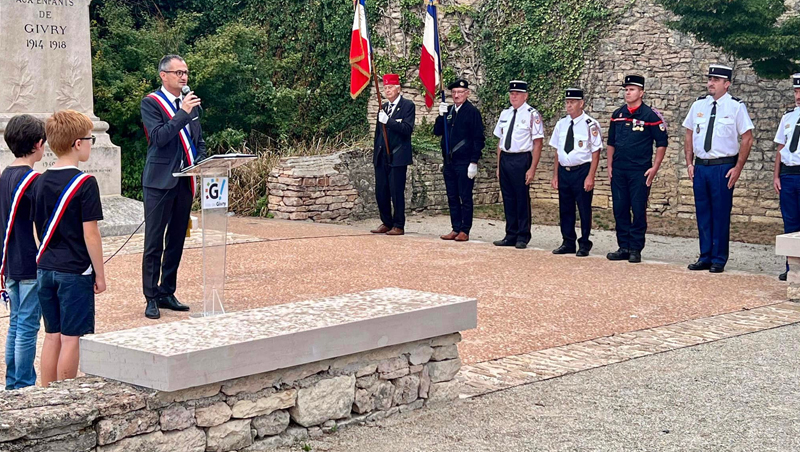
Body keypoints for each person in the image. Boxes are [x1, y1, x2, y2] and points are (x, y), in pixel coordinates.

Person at [31, 110, 105, 387]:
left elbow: (38, 228)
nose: (90, 144)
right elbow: (91, 234)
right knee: (72, 337)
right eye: (90, 139)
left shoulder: (39, 180)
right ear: (77, 143)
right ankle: (65, 394)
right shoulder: (86, 183)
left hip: (46, 266)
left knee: (52, 335)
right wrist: (100, 273)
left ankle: (46, 392)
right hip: (75, 270)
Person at [140, 54, 206, 319]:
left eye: (186, 72)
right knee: (154, 241)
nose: (184, 77)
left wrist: (202, 160)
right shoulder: (152, 103)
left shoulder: (191, 105)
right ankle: (150, 296)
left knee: (177, 239)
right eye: (178, 73)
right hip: (159, 182)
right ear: (163, 75)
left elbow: (198, 141)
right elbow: (159, 137)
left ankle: (167, 291)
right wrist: (183, 113)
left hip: (185, 181)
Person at [682, 64, 754, 274]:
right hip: (701, 167)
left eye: (715, 80)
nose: (710, 83)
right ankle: (705, 256)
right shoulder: (698, 105)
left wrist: (738, 168)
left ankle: (718, 258)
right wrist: (689, 162)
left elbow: (747, 138)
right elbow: (688, 133)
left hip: (722, 167)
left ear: (727, 84)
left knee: (720, 213)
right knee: (703, 213)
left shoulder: (735, 107)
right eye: (709, 79)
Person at [1, 114, 45, 389]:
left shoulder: (4, 175)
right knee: (27, 326)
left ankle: (11, 379)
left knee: (16, 324)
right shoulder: (33, 180)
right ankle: (23, 382)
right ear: (39, 144)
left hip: (10, 260)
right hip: (29, 260)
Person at [606, 74, 668, 263]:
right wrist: (609, 165)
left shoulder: (650, 115)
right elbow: (611, 143)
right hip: (619, 170)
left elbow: (662, 143)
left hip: (639, 171)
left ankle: (635, 248)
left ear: (641, 92)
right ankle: (623, 246)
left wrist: (655, 167)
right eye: (626, 90)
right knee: (620, 208)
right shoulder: (617, 115)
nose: (628, 93)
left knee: (638, 209)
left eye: (632, 89)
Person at [549, 88, 602, 257]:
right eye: (567, 102)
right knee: (565, 208)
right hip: (564, 171)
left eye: (572, 102)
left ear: (581, 103)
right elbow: (557, 151)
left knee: (584, 208)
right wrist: (555, 175)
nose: (569, 105)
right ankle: (568, 241)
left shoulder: (590, 124)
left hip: (581, 170)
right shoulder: (561, 124)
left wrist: (591, 176)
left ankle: (585, 242)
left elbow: (595, 152)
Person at [491, 80, 544, 249]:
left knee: (521, 198)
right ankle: (510, 233)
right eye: (512, 94)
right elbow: (500, 141)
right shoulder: (505, 114)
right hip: (506, 158)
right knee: (508, 198)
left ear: (525, 96)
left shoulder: (531, 114)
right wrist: (499, 165)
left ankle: (523, 235)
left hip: (521, 159)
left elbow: (538, 143)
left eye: (517, 94)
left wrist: (532, 168)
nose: (514, 96)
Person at [434, 78, 486, 242]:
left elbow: (478, 138)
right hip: (449, 161)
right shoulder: (449, 111)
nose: (456, 95)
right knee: (452, 196)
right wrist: (440, 116)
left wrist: (474, 162)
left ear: (467, 93)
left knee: (465, 196)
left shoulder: (472, 112)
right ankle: (455, 227)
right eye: (454, 92)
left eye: (460, 92)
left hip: (464, 161)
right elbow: (437, 131)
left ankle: (465, 229)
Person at [370, 73, 415, 236]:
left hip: (398, 155)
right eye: (385, 87)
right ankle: (386, 221)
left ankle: (398, 224)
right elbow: (378, 135)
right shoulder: (383, 107)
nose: (387, 90)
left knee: (396, 191)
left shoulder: (408, 106)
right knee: (381, 191)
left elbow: (407, 129)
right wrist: (376, 155)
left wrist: (388, 121)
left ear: (398, 88)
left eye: (390, 87)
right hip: (382, 155)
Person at [772, 74, 800, 281]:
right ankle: (792, 267)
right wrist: (777, 175)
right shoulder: (788, 117)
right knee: (790, 223)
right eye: (796, 91)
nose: (798, 96)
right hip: (788, 175)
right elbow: (781, 148)